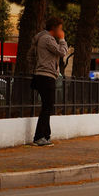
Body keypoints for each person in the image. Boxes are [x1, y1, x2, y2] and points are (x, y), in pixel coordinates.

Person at [27, 17, 69, 147]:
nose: (61, 31)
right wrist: (62, 39)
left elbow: (30, 56)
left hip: (42, 75)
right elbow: (62, 52)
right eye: (60, 28)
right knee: (47, 107)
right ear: (55, 28)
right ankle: (39, 137)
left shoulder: (40, 38)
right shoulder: (47, 39)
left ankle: (46, 135)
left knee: (48, 106)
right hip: (46, 76)